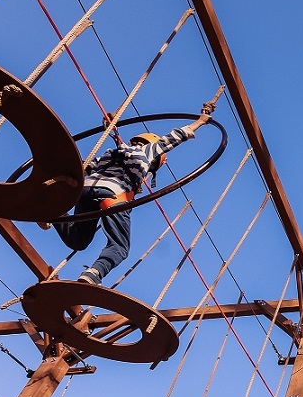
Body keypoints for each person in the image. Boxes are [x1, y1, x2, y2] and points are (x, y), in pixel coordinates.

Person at [43, 103, 215, 285]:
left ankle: (53, 213)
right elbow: (174, 138)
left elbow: (83, 169)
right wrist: (201, 121)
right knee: (120, 247)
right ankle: (94, 274)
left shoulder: (111, 153)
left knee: (78, 241)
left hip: (85, 191)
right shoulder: (147, 151)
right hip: (112, 195)